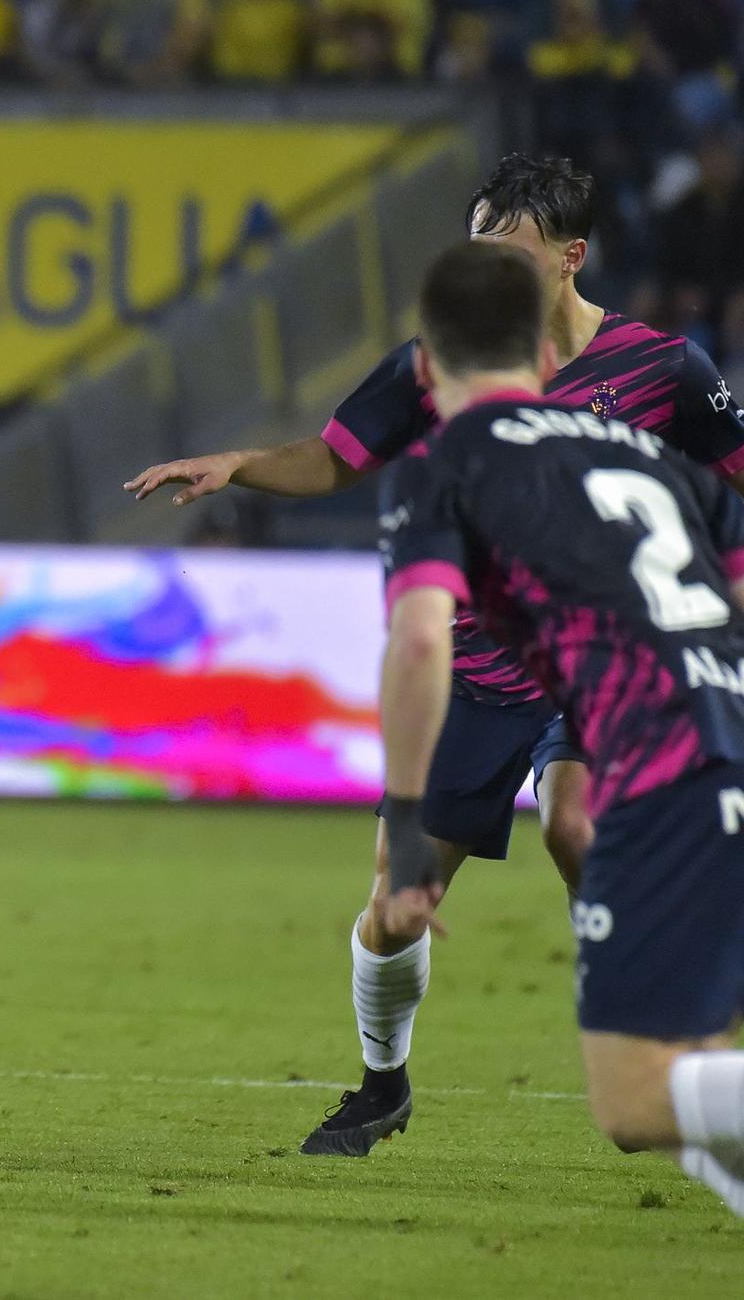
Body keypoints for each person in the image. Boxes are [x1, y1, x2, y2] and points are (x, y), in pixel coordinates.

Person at [124, 154, 744, 1157]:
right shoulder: (441, 361)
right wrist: (239, 464)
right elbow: (336, 455)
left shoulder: (664, 371)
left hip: (592, 671)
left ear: (569, 257)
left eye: (508, 246)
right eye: (475, 242)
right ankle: (383, 1083)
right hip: (476, 679)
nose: (483, 262)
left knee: (576, 824)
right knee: (392, 911)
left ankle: (650, 1024)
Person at [378, 239, 744, 1217]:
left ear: (424, 370)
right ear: (546, 362)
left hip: (663, 778)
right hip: (723, 746)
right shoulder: (657, 459)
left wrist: (408, 827)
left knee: (636, 1098)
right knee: (679, 1085)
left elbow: (421, 641)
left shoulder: (440, 467)